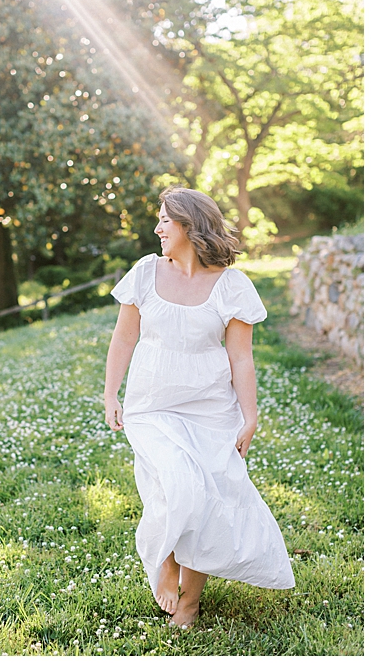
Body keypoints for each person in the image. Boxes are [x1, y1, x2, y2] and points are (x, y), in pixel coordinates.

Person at [103, 186, 294, 629]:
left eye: (165, 220)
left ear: (190, 224)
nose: (157, 228)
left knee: (206, 500)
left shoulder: (232, 285)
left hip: (211, 408)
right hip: (152, 406)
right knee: (177, 486)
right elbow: (124, 337)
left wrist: (251, 415)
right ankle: (164, 559)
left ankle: (189, 602)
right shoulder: (145, 273)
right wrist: (111, 393)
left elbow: (241, 356)